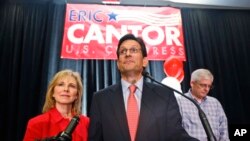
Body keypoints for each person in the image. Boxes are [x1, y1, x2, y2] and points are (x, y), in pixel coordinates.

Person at [88, 33, 198, 141]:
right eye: (123, 51)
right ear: (118, 63)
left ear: (144, 61)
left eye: (133, 50)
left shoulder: (165, 95)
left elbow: (176, 135)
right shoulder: (101, 99)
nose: (127, 54)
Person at [23, 69, 89, 141]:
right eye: (61, 84)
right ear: (52, 93)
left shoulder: (87, 122)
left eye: (72, 86)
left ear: (77, 95)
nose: (66, 89)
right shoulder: (36, 123)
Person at [176, 69, 229, 141]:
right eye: (203, 85)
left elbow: (223, 129)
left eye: (209, 86)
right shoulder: (179, 102)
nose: (207, 89)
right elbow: (177, 130)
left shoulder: (215, 103)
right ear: (192, 83)